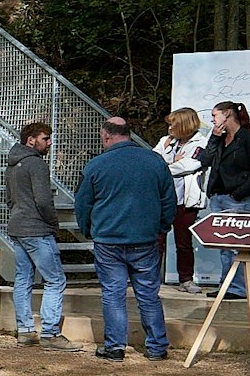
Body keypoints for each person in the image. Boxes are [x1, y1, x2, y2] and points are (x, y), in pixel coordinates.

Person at [75, 117, 176, 361]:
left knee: (113, 294)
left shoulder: (96, 165)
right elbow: (169, 200)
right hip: (145, 239)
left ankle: (115, 347)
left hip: (108, 240)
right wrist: (161, 227)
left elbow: (83, 203)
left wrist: (88, 230)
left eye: (102, 138)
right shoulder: (155, 161)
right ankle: (157, 347)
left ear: (107, 136)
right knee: (149, 294)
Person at [4, 122, 74, 349]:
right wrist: (53, 223)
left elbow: (9, 199)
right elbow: (43, 200)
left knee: (23, 279)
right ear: (31, 140)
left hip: (18, 226)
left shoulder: (13, 164)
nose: (50, 142)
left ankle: (25, 330)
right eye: (46, 138)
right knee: (55, 280)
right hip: (37, 229)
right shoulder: (36, 164)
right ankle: (51, 333)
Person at [198, 100, 250, 298]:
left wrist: (238, 193)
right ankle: (226, 285)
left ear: (227, 114)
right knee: (224, 246)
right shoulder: (220, 138)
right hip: (218, 197)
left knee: (236, 246)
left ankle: (237, 288)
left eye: (214, 115)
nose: (212, 120)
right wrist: (213, 138)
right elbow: (205, 160)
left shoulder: (249, 139)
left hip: (237, 199)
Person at [154, 108, 211, 293]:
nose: (170, 127)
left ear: (184, 126)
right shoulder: (165, 141)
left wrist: (167, 165)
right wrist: (172, 163)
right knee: (157, 240)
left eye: (173, 124)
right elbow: (153, 162)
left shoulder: (201, 142)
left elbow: (191, 165)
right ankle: (151, 279)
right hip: (162, 199)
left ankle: (186, 280)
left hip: (185, 200)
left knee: (184, 242)